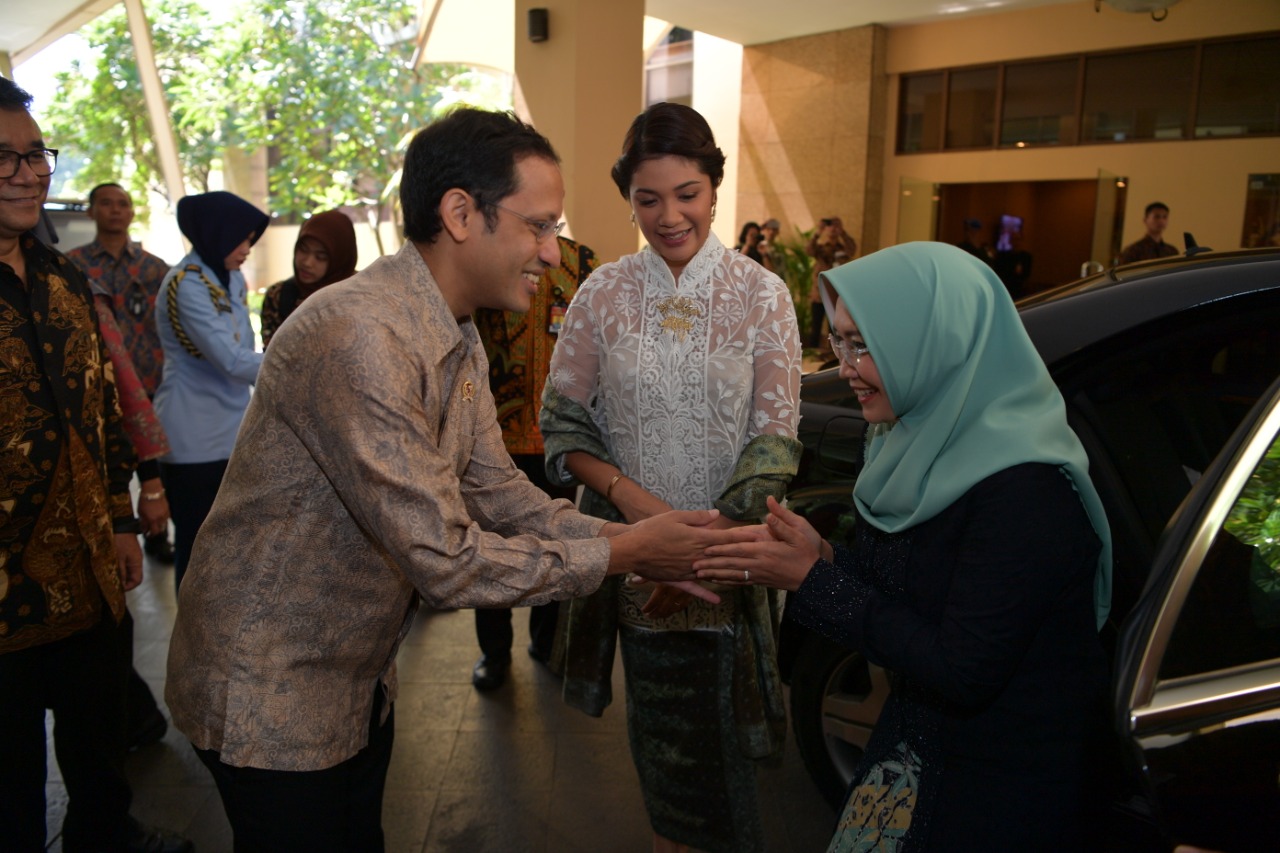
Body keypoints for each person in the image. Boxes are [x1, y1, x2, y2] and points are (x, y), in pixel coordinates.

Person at [163, 106, 735, 850]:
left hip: (349, 680)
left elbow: (499, 492)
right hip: (272, 690)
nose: (552, 253)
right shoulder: (360, 335)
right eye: (537, 226)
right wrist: (627, 553)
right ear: (461, 214)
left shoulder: (455, 333)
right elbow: (446, 558)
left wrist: (630, 536)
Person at [695, 241, 1114, 852]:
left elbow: (961, 668)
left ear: (937, 343)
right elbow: (916, 588)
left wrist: (815, 580)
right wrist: (825, 557)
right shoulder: (910, 445)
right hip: (919, 749)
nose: (845, 367)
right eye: (840, 342)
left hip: (997, 790)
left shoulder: (1026, 491)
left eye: (865, 346)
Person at [540, 102, 803, 853]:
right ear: (628, 197)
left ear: (714, 186)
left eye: (686, 192)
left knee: (732, 766)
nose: (669, 215)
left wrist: (704, 551)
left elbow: (774, 442)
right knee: (670, 775)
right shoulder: (602, 293)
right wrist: (648, 525)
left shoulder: (762, 294)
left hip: (734, 569)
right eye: (648, 198)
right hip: (639, 573)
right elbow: (564, 430)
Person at [0, 75, 191, 853]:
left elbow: (101, 408)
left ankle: (104, 837)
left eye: (35, 154)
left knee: (97, 741)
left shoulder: (64, 279)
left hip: (86, 571)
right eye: (6, 158)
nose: (31, 172)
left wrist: (121, 516)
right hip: (6, 594)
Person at [469, 234, 597, 691]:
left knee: (554, 544)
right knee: (490, 552)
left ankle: (545, 644)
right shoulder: (493, 254)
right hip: (491, 441)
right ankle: (494, 653)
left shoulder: (579, 262)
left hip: (555, 440)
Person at [153, 190, 268, 590]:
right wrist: (296, 359)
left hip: (232, 430)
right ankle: (194, 641)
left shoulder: (229, 277)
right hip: (193, 437)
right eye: (241, 239)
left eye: (251, 240)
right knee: (197, 549)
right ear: (216, 234)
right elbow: (233, 361)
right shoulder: (186, 285)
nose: (247, 249)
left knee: (233, 546)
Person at [67, 182, 175, 564]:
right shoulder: (71, 267)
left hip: (152, 382)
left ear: (132, 213)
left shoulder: (154, 267)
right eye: (106, 203)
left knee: (156, 469)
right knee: (107, 470)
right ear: (91, 211)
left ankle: (159, 537)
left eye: (123, 204)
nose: (116, 210)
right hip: (97, 390)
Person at [259, 208, 358, 347]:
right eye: (303, 250)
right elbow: (273, 358)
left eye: (320, 257)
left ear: (339, 259)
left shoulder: (359, 298)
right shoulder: (279, 296)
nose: (307, 263)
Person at [805, 216, 856, 348]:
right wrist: (818, 232)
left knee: (834, 327)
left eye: (836, 225)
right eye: (830, 225)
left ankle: (833, 353)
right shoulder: (820, 248)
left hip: (836, 293)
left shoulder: (843, 248)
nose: (833, 228)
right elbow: (809, 250)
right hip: (819, 293)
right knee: (815, 326)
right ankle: (813, 353)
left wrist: (843, 232)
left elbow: (852, 249)